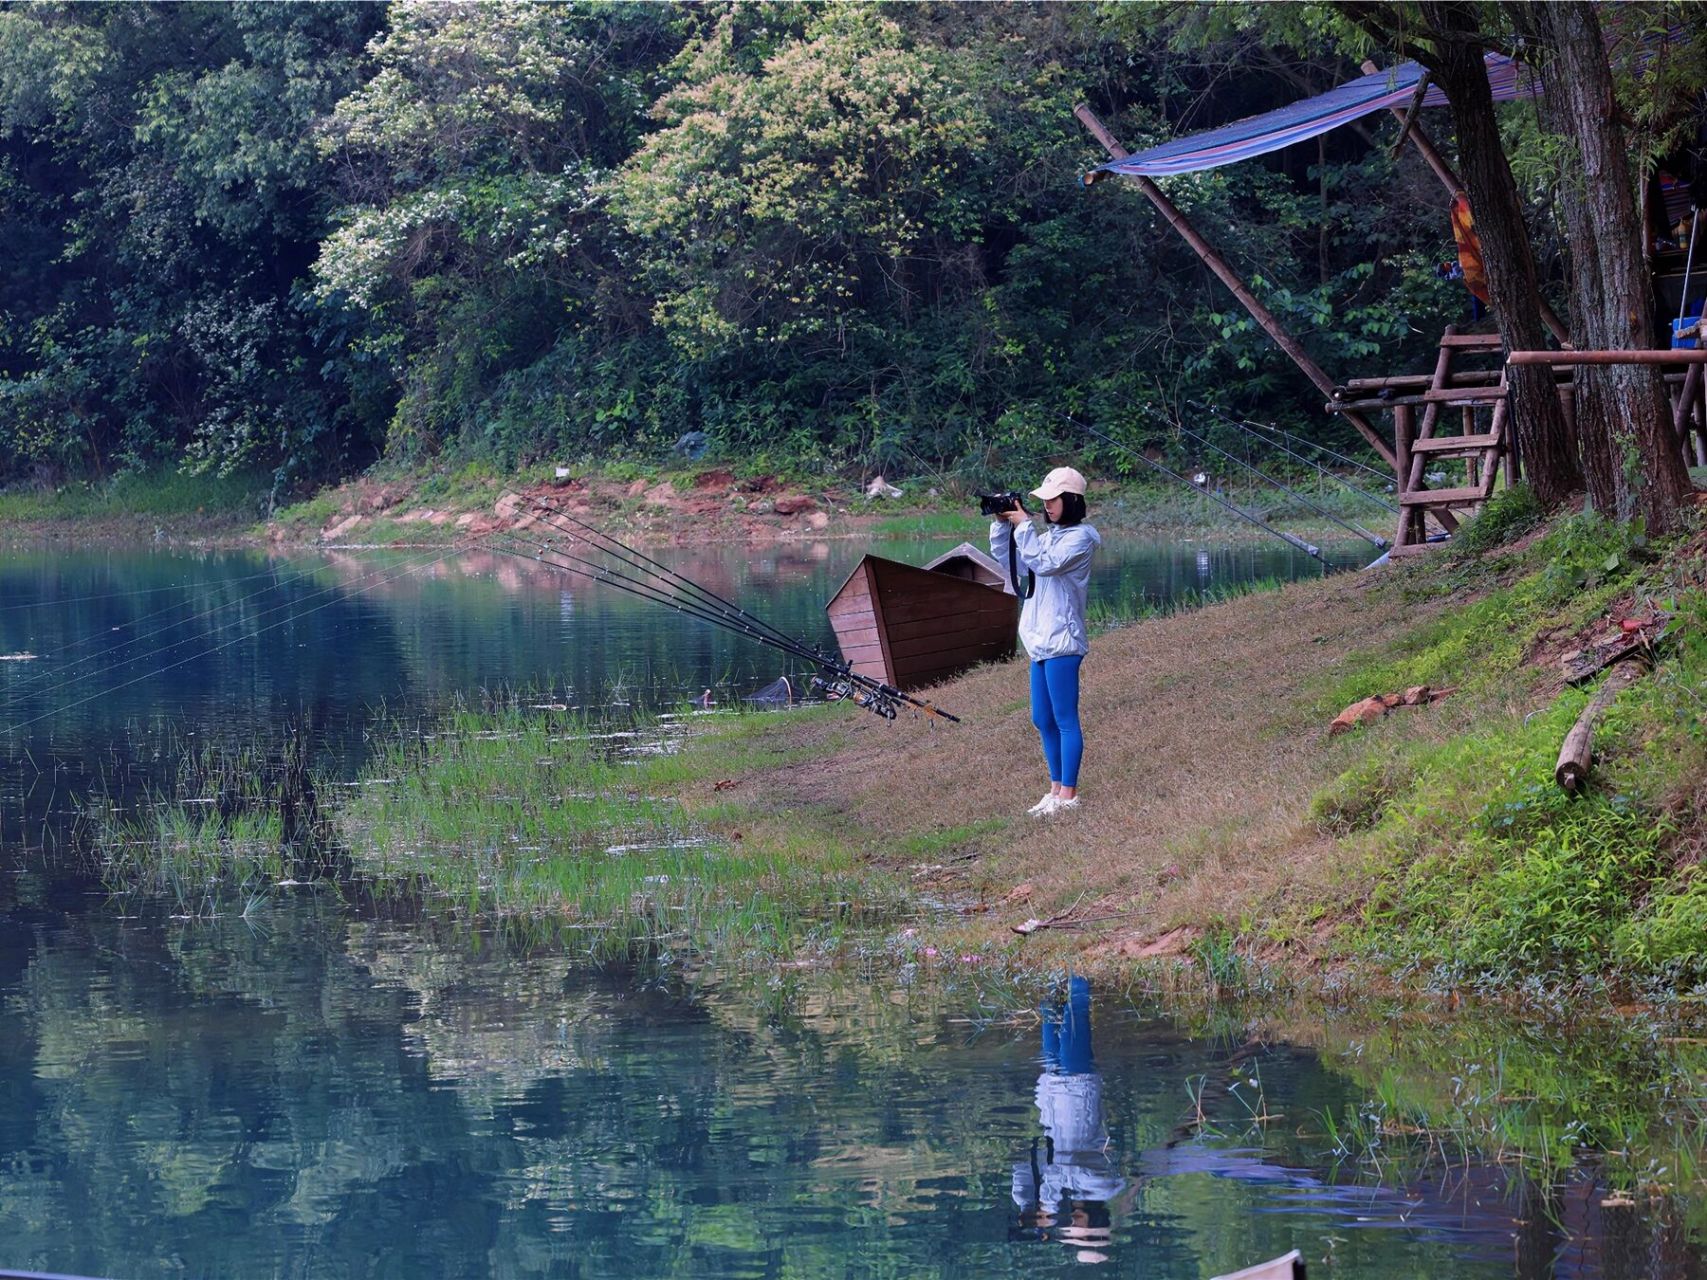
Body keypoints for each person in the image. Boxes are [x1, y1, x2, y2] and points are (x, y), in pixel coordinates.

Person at [989, 466, 1100, 817]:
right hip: (1039, 639)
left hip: (1063, 640)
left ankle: (1069, 795)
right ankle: (1054, 790)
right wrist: (1001, 525)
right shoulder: (1047, 536)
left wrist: (1024, 526)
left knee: (1065, 718)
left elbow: (1045, 564)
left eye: (1053, 500)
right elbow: (1019, 565)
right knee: (1042, 718)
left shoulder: (1081, 539)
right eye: (1044, 500)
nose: (1047, 506)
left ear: (1071, 501)